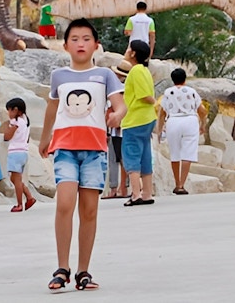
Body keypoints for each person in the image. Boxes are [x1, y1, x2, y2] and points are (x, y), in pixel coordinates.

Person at [39, 17, 126, 292]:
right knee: (64, 204)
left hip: (95, 150)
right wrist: (45, 138)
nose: (80, 43)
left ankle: (83, 271)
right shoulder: (59, 76)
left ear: (96, 45)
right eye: (75, 39)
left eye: (86, 39)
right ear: (65, 45)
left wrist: (117, 116)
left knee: (89, 211)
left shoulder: (105, 75)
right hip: (64, 148)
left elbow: (120, 105)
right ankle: (61, 268)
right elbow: (53, 109)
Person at [156, 67, 207, 195]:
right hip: (190, 120)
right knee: (187, 153)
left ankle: (177, 183)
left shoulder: (168, 92)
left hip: (173, 121)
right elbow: (202, 111)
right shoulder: (192, 92)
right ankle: (182, 185)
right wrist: (203, 125)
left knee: (175, 153)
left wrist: (159, 130)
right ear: (185, 79)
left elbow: (162, 113)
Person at [120, 39, 156, 206]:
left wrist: (153, 100)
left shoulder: (135, 71)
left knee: (131, 155)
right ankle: (147, 193)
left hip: (135, 119)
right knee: (145, 155)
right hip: (147, 119)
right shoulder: (145, 70)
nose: (126, 51)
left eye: (129, 49)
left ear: (133, 53)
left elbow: (145, 96)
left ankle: (136, 194)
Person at [102, 60, 131, 199]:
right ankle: (122, 187)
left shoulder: (117, 90)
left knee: (115, 159)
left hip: (117, 129)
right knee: (121, 159)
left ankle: (117, 189)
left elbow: (109, 109)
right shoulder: (128, 89)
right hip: (125, 128)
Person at [1, 97, 36, 212]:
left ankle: (19, 204)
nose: (8, 113)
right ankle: (29, 197)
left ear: (15, 110)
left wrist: (7, 126)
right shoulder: (26, 121)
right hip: (23, 151)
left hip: (15, 152)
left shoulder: (15, 122)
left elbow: (7, 137)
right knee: (15, 178)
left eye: (9, 110)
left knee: (16, 179)